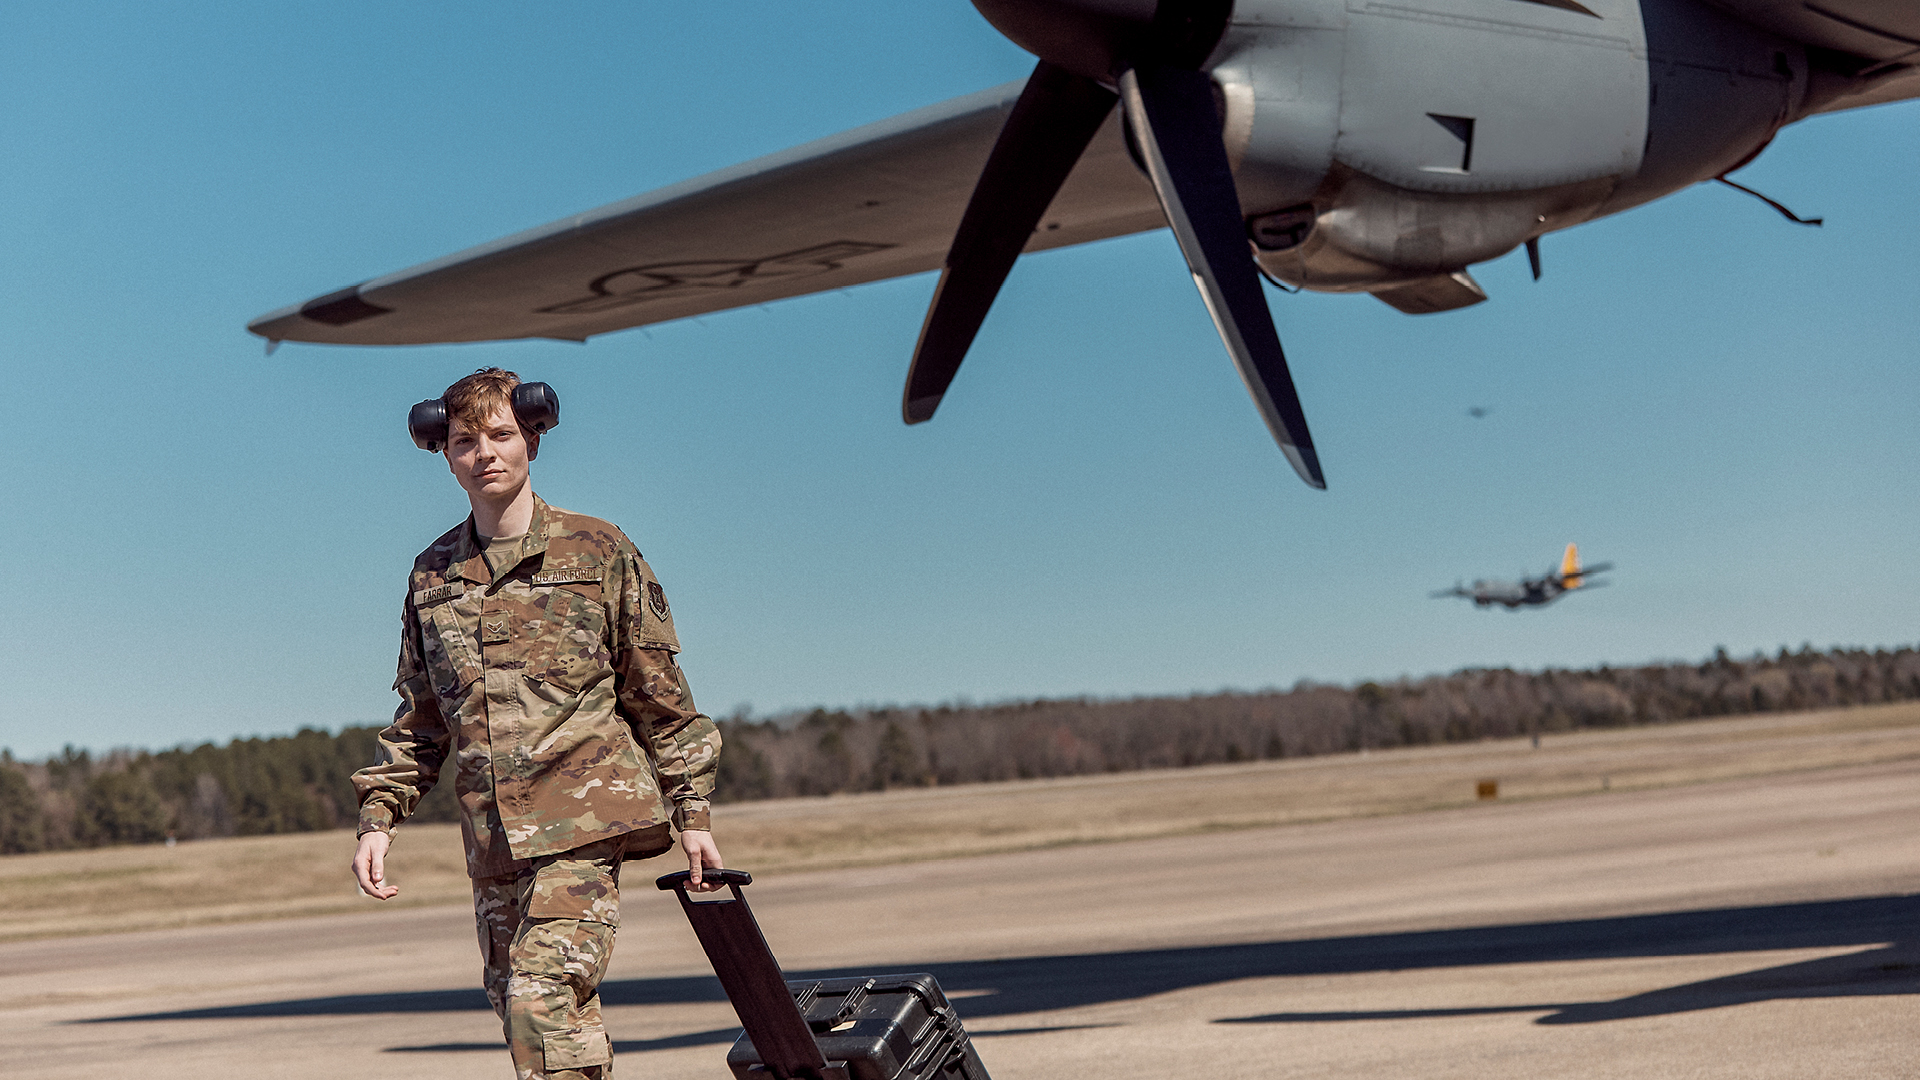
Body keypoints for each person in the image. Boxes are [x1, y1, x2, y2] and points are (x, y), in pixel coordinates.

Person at [349, 367, 723, 1080]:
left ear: (533, 441)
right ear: (444, 453)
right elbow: (422, 718)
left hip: (584, 825)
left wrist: (693, 811)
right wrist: (378, 817)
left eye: (501, 435)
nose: (484, 452)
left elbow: (659, 694)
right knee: (531, 1026)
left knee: (541, 1001)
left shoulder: (598, 551)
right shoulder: (432, 575)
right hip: (493, 841)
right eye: (465, 440)